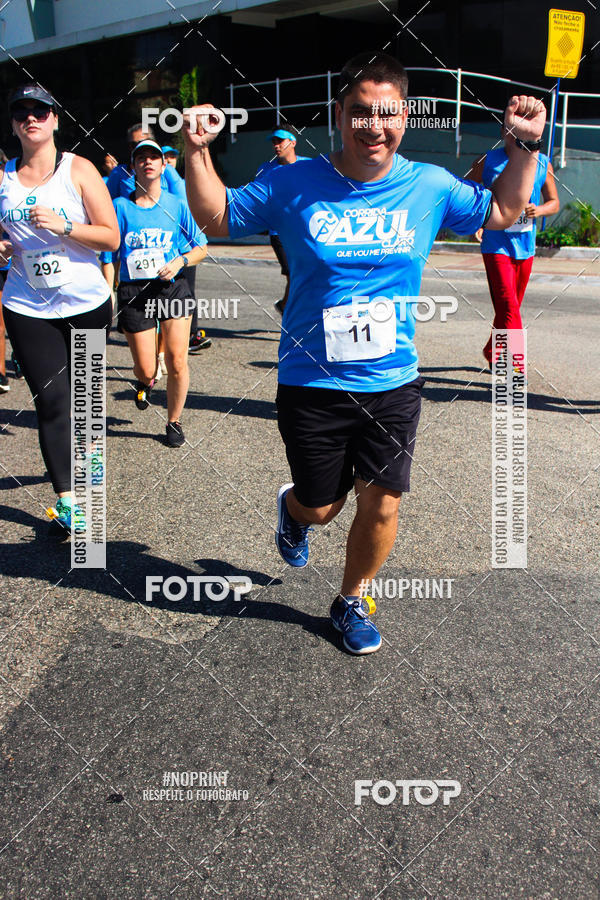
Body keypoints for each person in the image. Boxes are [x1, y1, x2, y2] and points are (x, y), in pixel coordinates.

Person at [183, 52, 547, 655]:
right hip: (311, 382)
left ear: (403, 116)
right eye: (359, 112)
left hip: (393, 381)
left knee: (382, 502)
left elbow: (504, 212)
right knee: (323, 506)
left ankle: (353, 598)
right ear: (338, 115)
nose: (372, 126)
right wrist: (196, 152)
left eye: (385, 113)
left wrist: (524, 145)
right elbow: (217, 216)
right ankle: (295, 512)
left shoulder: (427, 185)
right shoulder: (293, 183)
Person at [0, 83, 119, 528]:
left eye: (40, 111)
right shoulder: (3, 178)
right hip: (27, 306)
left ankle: (91, 478)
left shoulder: (79, 169)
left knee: (85, 401)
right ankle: (69, 502)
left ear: (54, 119)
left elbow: (110, 236)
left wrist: (64, 225)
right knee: (51, 401)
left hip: (85, 303)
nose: (31, 118)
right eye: (21, 112)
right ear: (13, 124)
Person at [100, 140, 207, 447]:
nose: (148, 162)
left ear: (163, 166)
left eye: (154, 157)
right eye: (141, 158)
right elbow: (110, 256)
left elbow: (201, 248)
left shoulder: (176, 204)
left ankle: (174, 421)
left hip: (171, 288)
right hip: (135, 291)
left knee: (176, 361)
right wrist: (109, 292)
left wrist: (180, 261)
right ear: (132, 167)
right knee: (147, 369)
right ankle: (144, 380)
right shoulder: (120, 207)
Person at [469, 126, 559, 372]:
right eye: (511, 132)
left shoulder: (542, 163)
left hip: (525, 247)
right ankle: (515, 366)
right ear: (503, 132)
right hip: (496, 244)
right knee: (508, 307)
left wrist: (538, 210)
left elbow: (554, 202)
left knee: (510, 308)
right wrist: (480, 218)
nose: (516, 137)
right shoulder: (488, 160)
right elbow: (467, 192)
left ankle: (492, 351)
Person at [256, 128, 310, 316]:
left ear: (293, 142)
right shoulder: (266, 169)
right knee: (293, 275)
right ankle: (289, 312)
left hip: (304, 232)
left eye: (280, 141)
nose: (276, 145)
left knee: (305, 274)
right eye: (274, 142)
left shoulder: (309, 166)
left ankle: (286, 306)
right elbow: (258, 198)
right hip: (279, 233)